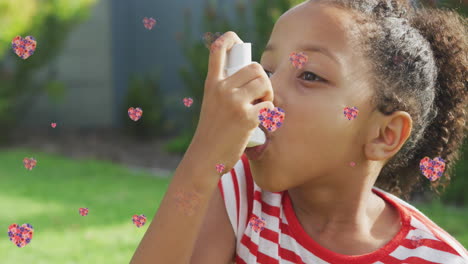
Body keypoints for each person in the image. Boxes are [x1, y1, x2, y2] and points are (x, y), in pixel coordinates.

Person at [130, 0, 468, 263]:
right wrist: (203, 158)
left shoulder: (437, 259)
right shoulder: (240, 196)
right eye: (267, 68)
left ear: (384, 134)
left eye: (309, 75)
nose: (266, 91)